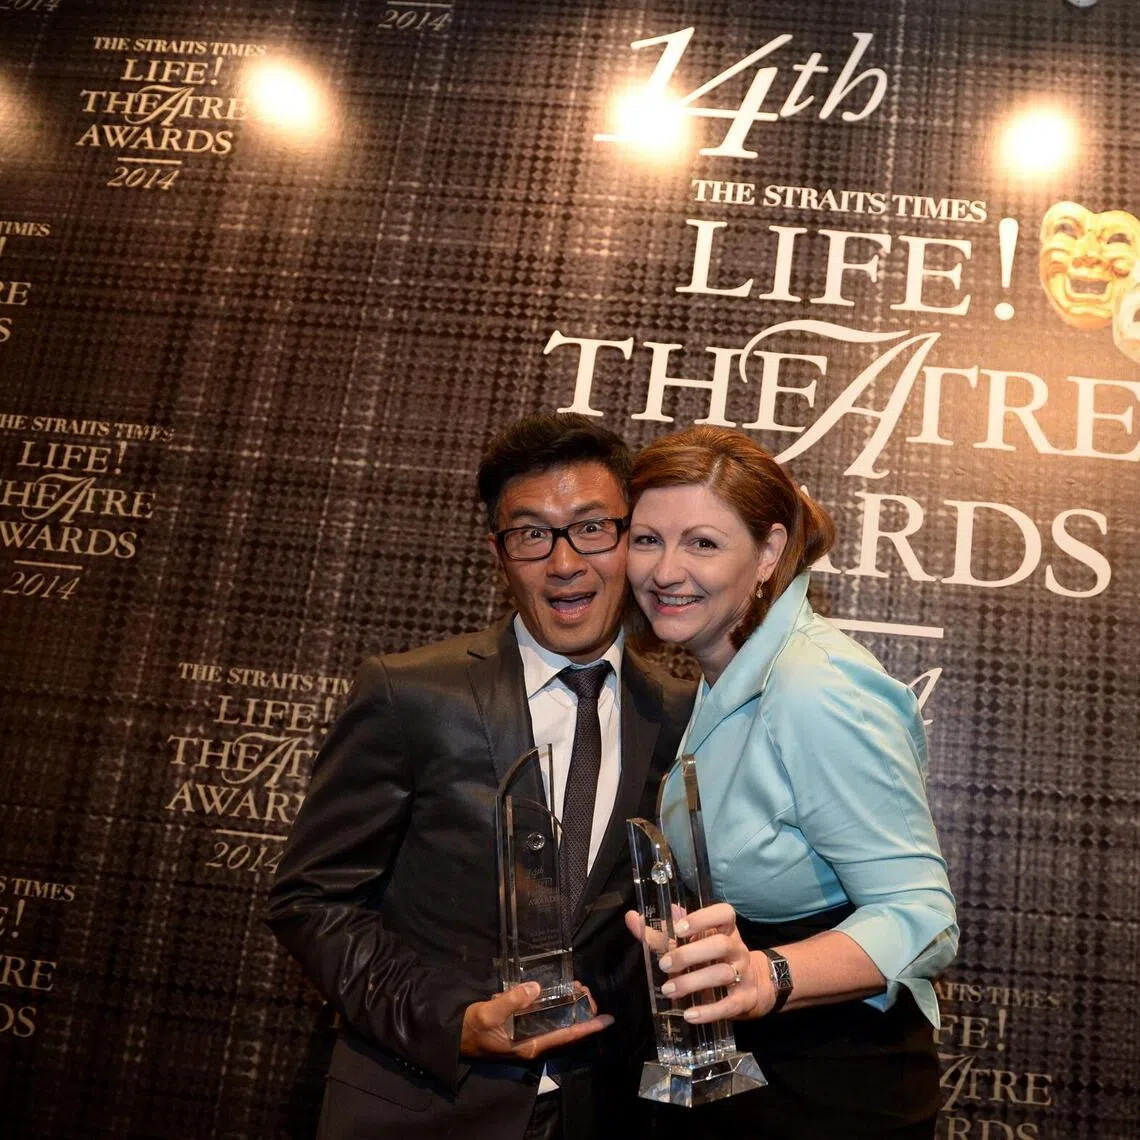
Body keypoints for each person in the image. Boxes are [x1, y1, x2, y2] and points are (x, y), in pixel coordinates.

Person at [267, 413, 694, 1140]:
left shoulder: (685, 716)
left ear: (634, 539)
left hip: (607, 1111)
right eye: (532, 534)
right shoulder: (411, 695)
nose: (564, 563)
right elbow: (312, 900)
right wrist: (455, 1024)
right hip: (421, 1105)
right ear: (498, 554)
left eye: (592, 528)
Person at [624, 426, 958, 1139]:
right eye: (646, 539)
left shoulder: (815, 685)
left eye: (703, 543)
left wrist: (763, 976)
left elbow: (922, 916)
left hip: (836, 1089)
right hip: (758, 1074)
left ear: (769, 552)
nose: (663, 569)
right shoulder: (720, 677)